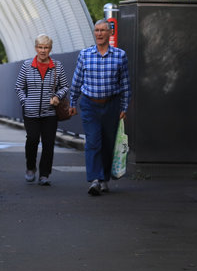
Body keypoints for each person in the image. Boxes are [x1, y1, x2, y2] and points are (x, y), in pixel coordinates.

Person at [70, 19, 131, 196]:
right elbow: (77, 80)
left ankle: (104, 178)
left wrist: (124, 107)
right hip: (90, 104)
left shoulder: (120, 56)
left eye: (103, 30)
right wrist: (72, 102)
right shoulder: (85, 54)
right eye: (96, 30)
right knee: (93, 141)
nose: (99, 34)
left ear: (110, 33)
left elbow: (126, 84)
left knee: (108, 143)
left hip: (111, 105)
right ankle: (95, 180)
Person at [14, 34, 70, 186]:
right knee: (32, 139)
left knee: (48, 143)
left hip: (50, 113)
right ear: (35, 48)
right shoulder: (27, 65)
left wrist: (58, 96)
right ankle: (30, 167)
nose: (43, 50)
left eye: (46, 47)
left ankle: (44, 174)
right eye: (40, 47)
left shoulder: (57, 66)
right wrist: (24, 102)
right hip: (30, 112)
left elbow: (65, 86)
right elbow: (19, 87)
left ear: (50, 49)